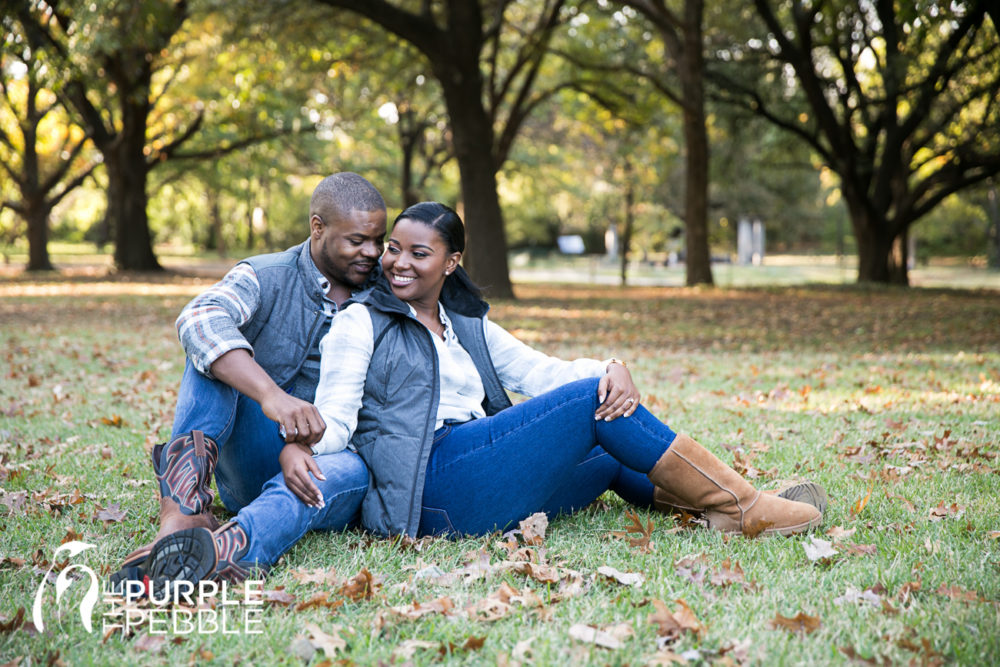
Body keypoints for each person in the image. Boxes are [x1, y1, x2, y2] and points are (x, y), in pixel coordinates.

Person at [149, 202, 826, 585]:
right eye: (395, 251)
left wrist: (613, 361)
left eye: (419, 252)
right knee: (594, 404)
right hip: (433, 482)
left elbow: (542, 371)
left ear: (452, 261)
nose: (399, 262)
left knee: (612, 442)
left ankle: (710, 508)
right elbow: (339, 415)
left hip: (479, 471)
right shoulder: (362, 322)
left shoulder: (467, 326)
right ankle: (743, 505)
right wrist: (303, 441)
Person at [110, 172, 387, 589]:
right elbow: (199, 318)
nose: (372, 252)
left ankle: (223, 551)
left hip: (329, 468)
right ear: (317, 228)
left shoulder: (390, 287)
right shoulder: (265, 274)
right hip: (257, 454)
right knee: (211, 348)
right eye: (357, 241)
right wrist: (271, 395)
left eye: (378, 240)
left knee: (354, 467)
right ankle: (184, 512)